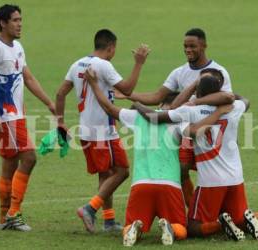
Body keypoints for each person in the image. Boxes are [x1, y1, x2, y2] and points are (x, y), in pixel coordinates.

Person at [84, 68, 232, 246]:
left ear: (161, 104)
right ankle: (170, 227)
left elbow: (108, 107)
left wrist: (93, 84)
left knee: (130, 225)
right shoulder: (178, 121)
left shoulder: (137, 118)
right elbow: (195, 132)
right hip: (169, 186)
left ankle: (134, 228)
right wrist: (217, 114)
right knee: (181, 229)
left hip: (141, 185)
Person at [134, 73, 258, 241]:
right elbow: (245, 99)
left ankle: (221, 224)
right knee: (239, 218)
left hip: (211, 181)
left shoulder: (190, 110)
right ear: (219, 91)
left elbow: (154, 117)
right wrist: (225, 96)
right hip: (236, 178)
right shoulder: (234, 107)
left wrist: (137, 104)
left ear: (198, 92)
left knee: (192, 226)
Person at [116, 28, 234, 207]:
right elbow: (157, 97)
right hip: (186, 133)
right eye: (185, 46)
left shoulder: (218, 72)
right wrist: (129, 95)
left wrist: (196, 101)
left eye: (192, 46)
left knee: (210, 175)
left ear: (204, 45)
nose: (188, 50)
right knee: (181, 171)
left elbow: (226, 99)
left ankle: (214, 211)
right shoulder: (180, 72)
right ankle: (193, 210)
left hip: (209, 133)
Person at [55, 29, 150, 233]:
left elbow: (60, 93)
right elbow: (127, 89)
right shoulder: (103, 65)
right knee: (122, 171)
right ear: (111, 47)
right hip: (103, 131)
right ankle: (90, 209)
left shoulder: (77, 64)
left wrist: (60, 122)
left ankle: (108, 221)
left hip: (86, 131)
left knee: (105, 174)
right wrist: (139, 63)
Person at [0, 4, 55, 231]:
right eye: (15, 20)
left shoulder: (17, 47)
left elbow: (29, 78)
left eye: (20, 19)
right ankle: (13, 214)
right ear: (2, 23)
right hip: (6, 118)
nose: (19, 24)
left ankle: (3, 217)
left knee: (9, 164)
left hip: (17, 116)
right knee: (29, 158)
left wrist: (49, 102)